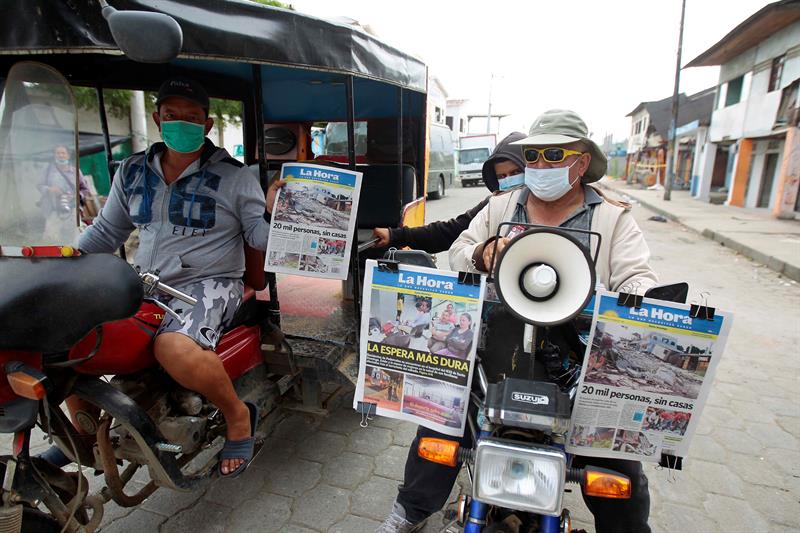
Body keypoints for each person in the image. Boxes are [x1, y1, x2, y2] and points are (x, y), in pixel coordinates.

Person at [378, 110, 658, 533]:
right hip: (496, 348)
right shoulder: (501, 205)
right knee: (443, 416)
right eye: (534, 156)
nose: (541, 166)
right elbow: (459, 251)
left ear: (581, 163)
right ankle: (411, 511)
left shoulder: (613, 219)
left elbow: (639, 275)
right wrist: (483, 252)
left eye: (553, 155)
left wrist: (632, 295)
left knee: (617, 464)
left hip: (577, 360)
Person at [45, 77, 284, 477]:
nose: (182, 124)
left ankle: (238, 417)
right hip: (144, 281)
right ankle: (83, 432)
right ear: (158, 118)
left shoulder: (235, 177)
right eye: (173, 116)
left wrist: (276, 212)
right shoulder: (133, 170)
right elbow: (106, 232)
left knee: (173, 348)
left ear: (206, 125)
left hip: (210, 283)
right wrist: (63, 264)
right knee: (60, 331)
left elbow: (260, 237)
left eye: (192, 118)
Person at [371, 132, 527, 251]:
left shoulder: (542, 203)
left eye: (515, 173)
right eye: (502, 176)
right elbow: (449, 232)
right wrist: (395, 235)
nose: (508, 180)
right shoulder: (493, 205)